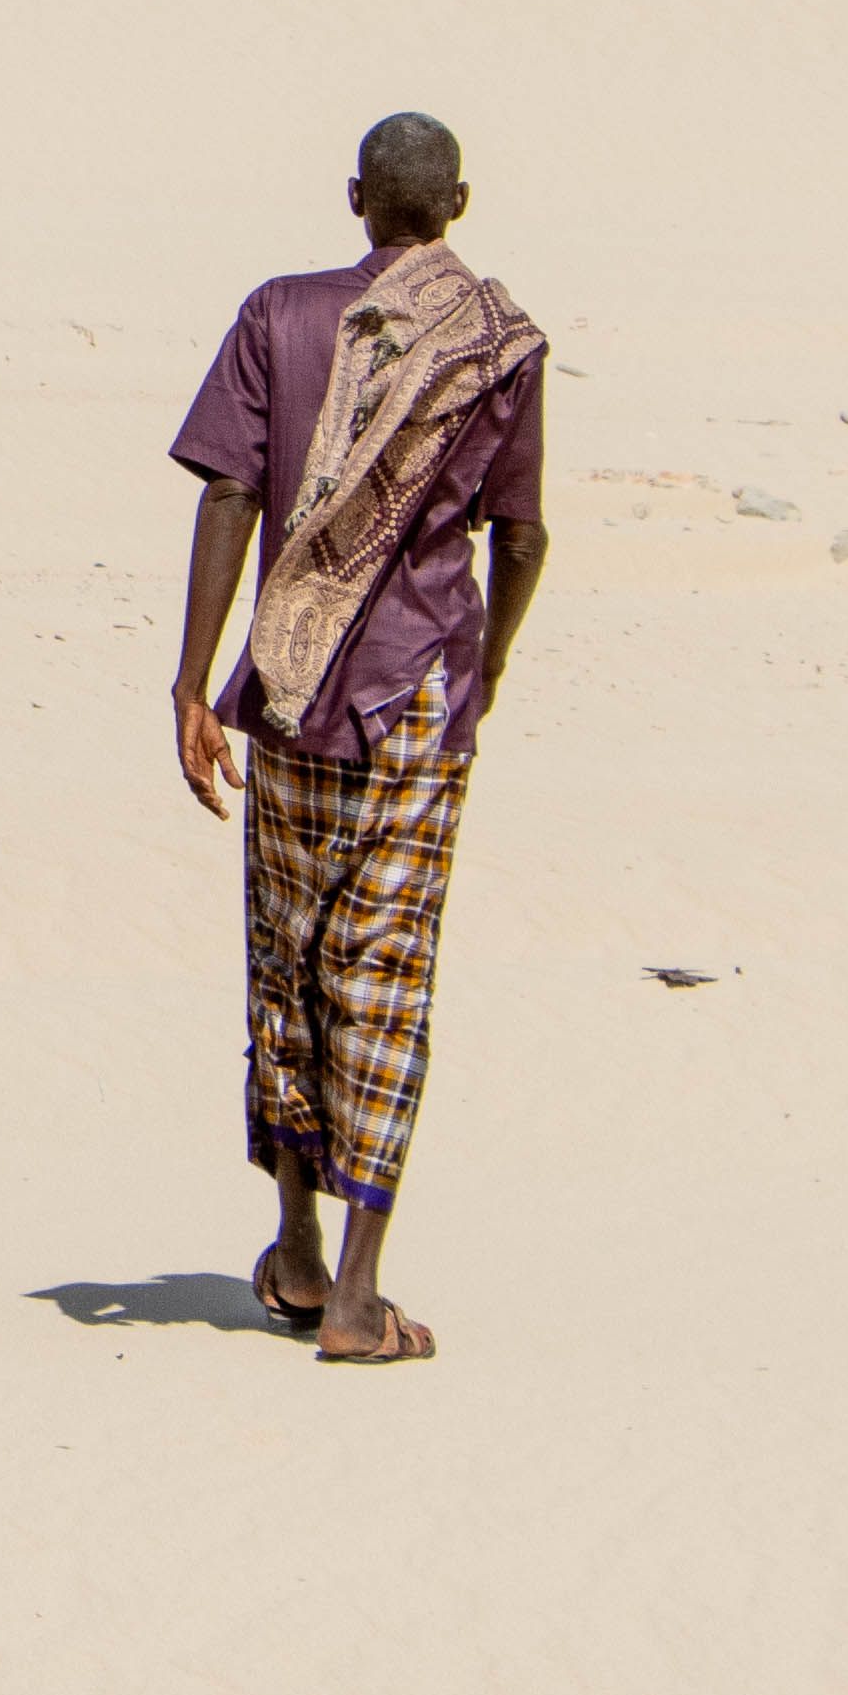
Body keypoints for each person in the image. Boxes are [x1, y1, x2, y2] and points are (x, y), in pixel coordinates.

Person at [167, 110, 552, 1368]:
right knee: (386, 974)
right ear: (458, 205)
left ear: (354, 198)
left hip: (288, 686)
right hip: (416, 701)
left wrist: (190, 679)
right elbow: (523, 532)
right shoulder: (497, 344)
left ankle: (293, 1243)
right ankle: (357, 1290)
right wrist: (483, 671)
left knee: (286, 952)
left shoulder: (279, 313)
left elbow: (229, 489)